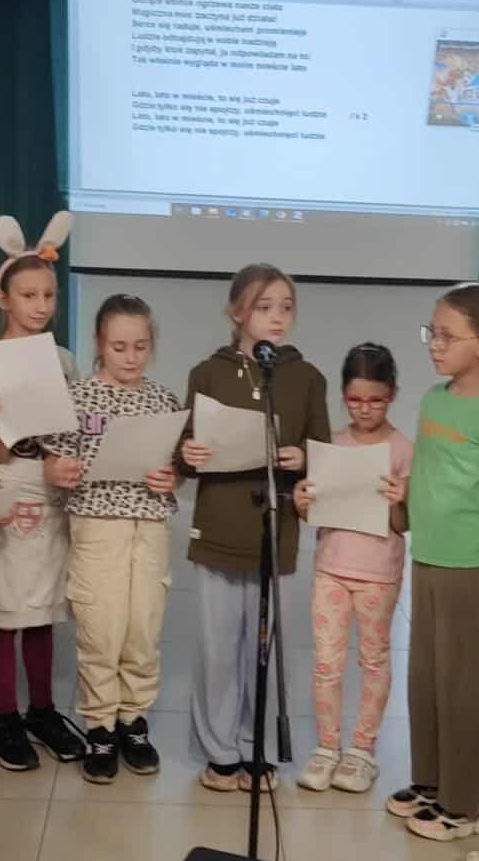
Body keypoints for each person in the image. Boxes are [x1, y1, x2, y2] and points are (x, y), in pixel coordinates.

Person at [387, 282, 479, 842]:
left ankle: (470, 802)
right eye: (432, 332)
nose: (434, 344)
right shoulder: (434, 400)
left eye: (448, 336)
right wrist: (402, 495)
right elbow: (432, 472)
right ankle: (433, 780)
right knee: (426, 679)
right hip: (428, 557)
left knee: (468, 686)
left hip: (473, 567)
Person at [179, 264, 329, 792]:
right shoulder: (207, 373)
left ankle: (255, 746)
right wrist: (188, 452)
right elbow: (183, 448)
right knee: (218, 649)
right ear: (237, 312)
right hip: (219, 527)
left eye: (286, 307)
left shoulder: (307, 378)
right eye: (265, 307)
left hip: (274, 530)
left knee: (262, 650)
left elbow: (321, 451)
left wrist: (303, 456)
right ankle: (220, 751)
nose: (277, 318)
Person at [43, 294, 183, 784]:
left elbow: (176, 465)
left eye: (140, 346)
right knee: (101, 630)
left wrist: (173, 476)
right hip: (97, 525)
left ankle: (132, 721)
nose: (130, 356)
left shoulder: (163, 399)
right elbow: (53, 461)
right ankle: (100, 725)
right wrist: (58, 470)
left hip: (150, 525)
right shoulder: (78, 397)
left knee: (143, 628)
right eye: (119, 346)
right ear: (99, 343)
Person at [0, 212, 88, 770]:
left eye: (48, 295)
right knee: (3, 607)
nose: (41, 305)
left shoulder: (63, 360)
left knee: (43, 608)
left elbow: (76, 429)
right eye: (29, 295)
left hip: (53, 487)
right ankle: (5, 717)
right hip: (11, 485)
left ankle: (42, 709)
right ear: (4, 297)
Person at [290, 343, 411, 795]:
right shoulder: (331, 445)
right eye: (355, 399)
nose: (365, 408)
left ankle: (362, 751)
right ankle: (327, 747)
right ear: (343, 396)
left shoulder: (402, 449)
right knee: (327, 663)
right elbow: (312, 512)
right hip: (331, 568)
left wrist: (399, 500)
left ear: (392, 395)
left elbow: (404, 524)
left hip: (379, 571)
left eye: (376, 400)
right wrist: (301, 501)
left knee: (374, 660)